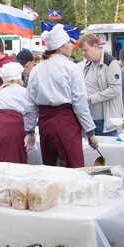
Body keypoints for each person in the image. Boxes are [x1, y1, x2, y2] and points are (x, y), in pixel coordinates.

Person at [24, 24, 99, 168]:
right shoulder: (72, 68)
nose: (72, 46)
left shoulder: (37, 69)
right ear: (60, 47)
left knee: (50, 167)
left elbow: (30, 104)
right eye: (68, 43)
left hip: (45, 124)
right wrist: (90, 132)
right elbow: (80, 104)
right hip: (66, 123)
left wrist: (30, 130)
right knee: (73, 168)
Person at [0, 62, 32, 166]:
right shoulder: (24, 92)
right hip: (14, 128)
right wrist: (31, 131)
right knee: (14, 160)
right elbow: (29, 113)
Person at [79, 33, 124, 137]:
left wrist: (91, 98)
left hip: (105, 121)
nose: (83, 53)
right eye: (82, 51)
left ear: (95, 46)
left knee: (108, 152)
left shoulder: (111, 63)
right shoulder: (87, 64)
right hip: (89, 120)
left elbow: (116, 88)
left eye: (86, 50)